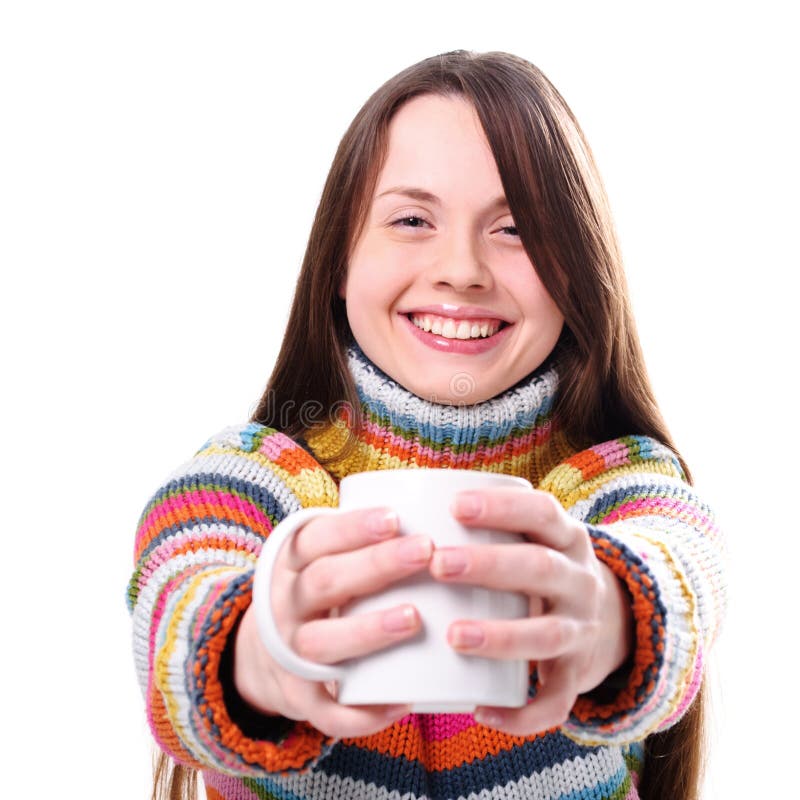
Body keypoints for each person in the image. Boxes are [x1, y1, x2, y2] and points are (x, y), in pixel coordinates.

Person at [128, 49, 726, 800]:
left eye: (516, 229)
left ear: (575, 265)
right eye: (411, 219)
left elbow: (684, 570)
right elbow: (178, 594)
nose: (461, 269)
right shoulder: (256, 477)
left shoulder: (618, 484)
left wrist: (610, 616)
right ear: (339, 260)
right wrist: (257, 649)